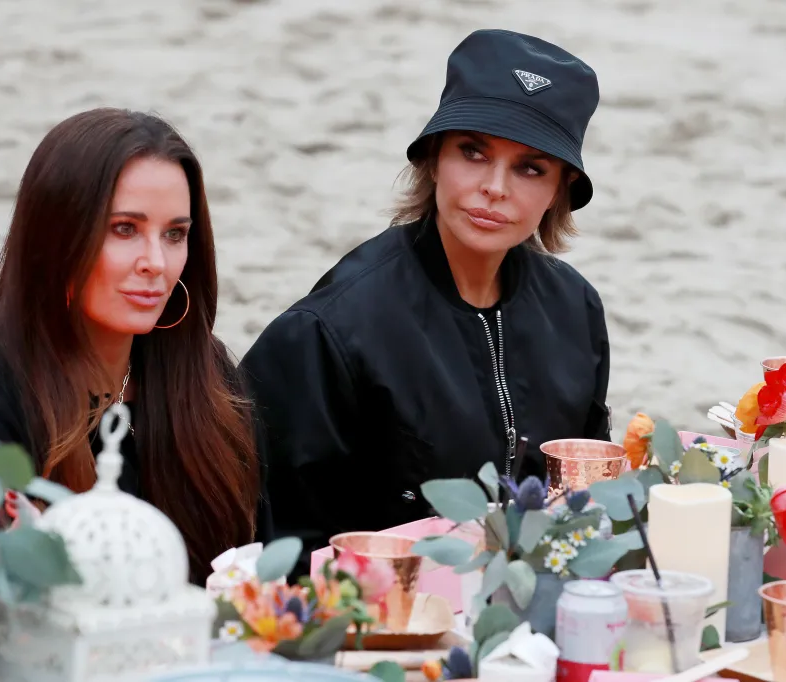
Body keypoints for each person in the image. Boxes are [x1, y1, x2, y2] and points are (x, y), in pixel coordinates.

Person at [240, 30, 611, 573]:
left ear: (560, 187)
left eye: (530, 167)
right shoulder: (327, 331)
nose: (495, 187)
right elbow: (282, 547)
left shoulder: (576, 310)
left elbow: (588, 494)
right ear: (435, 157)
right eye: (473, 152)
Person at [0, 108, 270, 583]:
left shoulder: (208, 379)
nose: (156, 262)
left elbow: (255, 568)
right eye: (124, 228)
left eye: (175, 234)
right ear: (57, 239)